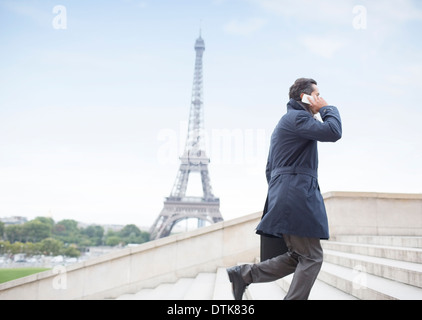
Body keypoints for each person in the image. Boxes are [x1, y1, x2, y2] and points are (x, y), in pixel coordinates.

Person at [226, 78, 342, 300]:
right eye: (317, 95)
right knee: (312, 257)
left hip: (288, 194)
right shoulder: (298, 117)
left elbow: (269, 169)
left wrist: (282, 193)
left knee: (299, 256)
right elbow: (333, 131)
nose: (320, 98)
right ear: (305, 97)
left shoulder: (288, 121)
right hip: (296, 194)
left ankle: (244, 274)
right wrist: (327, 108)